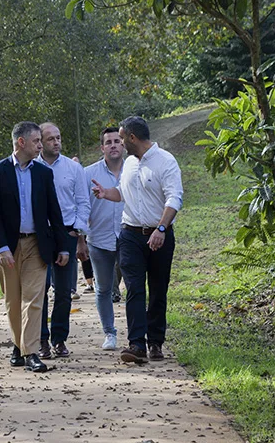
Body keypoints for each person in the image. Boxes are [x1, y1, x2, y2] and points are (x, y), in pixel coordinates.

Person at [91, 116, 183, 363]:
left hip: (160, 234)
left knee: (158, 289)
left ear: (132, 138)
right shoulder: (130, 163)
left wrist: (161, 229)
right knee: (133, 288)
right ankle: (136, 344)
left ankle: (155, 343)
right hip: (130, 234)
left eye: (122, 138)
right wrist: (106, 193)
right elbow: (123, 193)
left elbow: (174, 198)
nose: (120, 143)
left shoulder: (166, 161)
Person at [0, 121, 69, 373]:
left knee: (34, 298)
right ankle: (18, 345)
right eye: (36, 141)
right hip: (8, 246)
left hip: (36, 244)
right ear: (21, 142)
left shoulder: (43, 173)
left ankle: (30, 352)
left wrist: (63, 246)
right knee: (13, 300)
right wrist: (2, 247)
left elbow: (54, 212)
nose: (41, 145)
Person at [37, 122, 90, 359]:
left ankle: (59, 339)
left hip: (66, 232)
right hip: (40, 233)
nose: (56, 142)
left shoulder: (73, 168)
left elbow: (83, 202)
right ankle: (41, 339)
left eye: (58, 137)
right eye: (50, 139)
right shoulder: (32, 167)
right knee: (40, 288)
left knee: (63, 290)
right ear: (40, 142)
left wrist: (77, 232)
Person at [83, 127, 125, 351]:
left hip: (129, 238)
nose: (113, 145)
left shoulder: (134, 169)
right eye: (108, 142)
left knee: (135, 287)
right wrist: (80, 239)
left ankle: (138, 335)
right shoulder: (88, 174)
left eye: (117, 141)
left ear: (123, 144)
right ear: (102, 148)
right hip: (99, 239)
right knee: (103, 289)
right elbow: (82, 207)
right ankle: (109, 333)